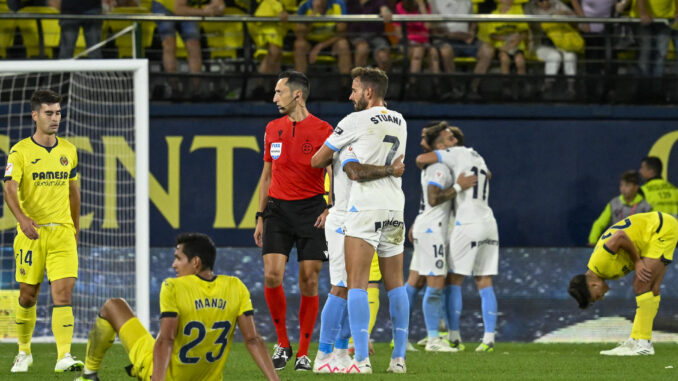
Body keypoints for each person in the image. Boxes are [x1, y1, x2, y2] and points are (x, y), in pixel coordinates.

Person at [74, 233, 279, 381]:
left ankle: (89, 374)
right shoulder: (235, 286)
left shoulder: (173, 286)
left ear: (195, 262)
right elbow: (253, 339)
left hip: (162, 373)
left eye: (178, 258)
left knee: (113, 305)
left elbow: (165, 340)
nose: (174, 265)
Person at [311, 67, 409, 374]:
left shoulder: (354, 122)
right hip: (395, 208)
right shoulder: (400, 120)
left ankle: (359, 359)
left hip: (362, 208)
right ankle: (399, 358)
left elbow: (317, 160)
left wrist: (332, 150)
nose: (350, 95)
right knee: (396, 285)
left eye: (354, 89)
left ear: (368, 92)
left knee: (354, 284)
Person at [253, 70, 333, 371]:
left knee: (309, 280)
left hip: (311, 210)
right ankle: (283, 344)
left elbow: (332, 174)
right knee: (272, 275)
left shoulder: (324, 129)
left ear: (296, 94)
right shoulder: (272, 128)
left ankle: (302, 351)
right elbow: (267, 175)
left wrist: (330, 207)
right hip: (277, 211)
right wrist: (260, 216)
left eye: (279, 92)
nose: (274, 98)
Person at [4, 90, 83, 373]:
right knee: (28, 295)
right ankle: (24, 352)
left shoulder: (69, 150)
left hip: (62, 232)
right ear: (34, 115)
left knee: (63, 293)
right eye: (49, 113)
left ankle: (64, 355)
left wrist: (75, 226)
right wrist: (23, 219)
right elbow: (9, 188)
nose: (55, 118)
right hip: (31, 234)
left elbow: (73, 191)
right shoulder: (20, 151)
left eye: (58, 113)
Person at [416, 124, 499, 352]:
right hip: (489, 221)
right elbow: (488, 175)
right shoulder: (477, 156)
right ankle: (489, 339)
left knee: (453, 280)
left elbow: (421, 159)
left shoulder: (454, 153)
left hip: (467, 222)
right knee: (484, 280)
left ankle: (453, 336)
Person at [568, 212, 678, 355]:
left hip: (658, 228)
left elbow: (620, 236)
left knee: (640, 283)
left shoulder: (601, 264)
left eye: (595, 297)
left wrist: (638, 262)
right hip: (654, 232)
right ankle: (636, 340)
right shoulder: (600, 270)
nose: (601, 297)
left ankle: (644, 343)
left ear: (592, 285)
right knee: (652, 289)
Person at [412, 122, 476, 352]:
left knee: (420, 283)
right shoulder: (440, 167)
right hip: (432, 230)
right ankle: (433, 339)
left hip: (427, 227)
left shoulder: (439, 165)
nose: (455, 142)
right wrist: (458, 187)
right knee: (436, 283)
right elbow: (433, 198)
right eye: (450, 140)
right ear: (439, 146)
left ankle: (415, 335)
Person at [151, 0, 225, 95]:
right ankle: (174, 89)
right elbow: (178, 9)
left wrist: (216, 9)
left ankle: (196, 91)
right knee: (169, 43)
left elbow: (220, 5)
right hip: (164, 5)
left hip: (186, 7)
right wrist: (204, 12)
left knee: (194, 44)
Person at [472, 0, 528, 98]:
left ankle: (521, 89)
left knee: (520, 61)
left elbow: (524, 32)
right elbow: (493, 35)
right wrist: (507, 39)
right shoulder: (494, 14)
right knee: (504, 59)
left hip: (517, 45)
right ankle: (506, 88)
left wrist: (515, 41)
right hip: (501, 47)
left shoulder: (518, 11)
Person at [524, 0, 580, 98]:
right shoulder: (529, 8)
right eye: (540, 1)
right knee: (554, 56)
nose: (543, 3)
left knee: (570, 56)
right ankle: (547, 87)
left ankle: (571, 88)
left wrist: (566, 13)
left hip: (560, 42)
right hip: (539, 43)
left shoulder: (557, 4)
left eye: (546, 0)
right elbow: (526, 25)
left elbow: (575, 19)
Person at [588, 170, 652, 245]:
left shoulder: (645, 207)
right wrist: (592, 242)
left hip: (637, 246)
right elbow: (599, 224)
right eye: (621, 185)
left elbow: (651, 229)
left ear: (636, 187)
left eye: (627, 185)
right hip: (615, 245)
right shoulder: (614, 204)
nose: (623, 189)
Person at [294, 0, 352, 74]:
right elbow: (299, 35)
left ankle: (345, 83)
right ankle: (301, 83)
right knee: (299, 45)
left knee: (343, 44)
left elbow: (342, 33)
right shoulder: (304, 5)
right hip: (310, 42)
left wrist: (320, 46)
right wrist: (313, 14)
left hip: (331, 41)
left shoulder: (339, 4)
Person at [346, 0, 393, 72]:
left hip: (376, 36)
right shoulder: (350, 3)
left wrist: (385, 9)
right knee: (362, 48)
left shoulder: (378, 2)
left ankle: (382, 81)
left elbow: (383, 7)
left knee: (384, 57)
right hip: (356, 36)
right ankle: (358, 80)